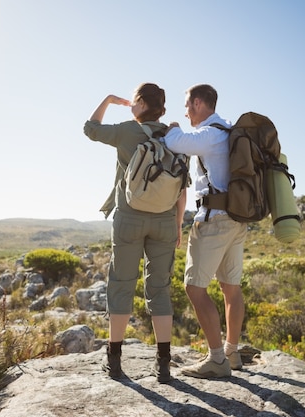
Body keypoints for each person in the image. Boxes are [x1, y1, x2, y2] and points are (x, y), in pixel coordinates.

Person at [83, 83, 187, 383]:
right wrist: (178, 225)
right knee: (159, 290)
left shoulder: (128, 131)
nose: (131, 105)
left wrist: (107, 100)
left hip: (129, 217)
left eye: (134, 100)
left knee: (121, 285)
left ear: (141, 103)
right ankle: (163, 365)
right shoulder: (174, 136)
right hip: (165, 221)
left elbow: (90, 128)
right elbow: (181, 187)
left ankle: (114, 363)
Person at [163, 84, 247, 378]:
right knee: (231, 288)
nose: (185, 113)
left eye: (187, 106)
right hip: (237, 219)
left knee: (194, 288)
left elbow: (175, 141)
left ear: (198, 103)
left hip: (213, 220)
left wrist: (172, 127)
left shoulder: (209, 134)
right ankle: (231, 352)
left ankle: (216, 360)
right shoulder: (230, 131)